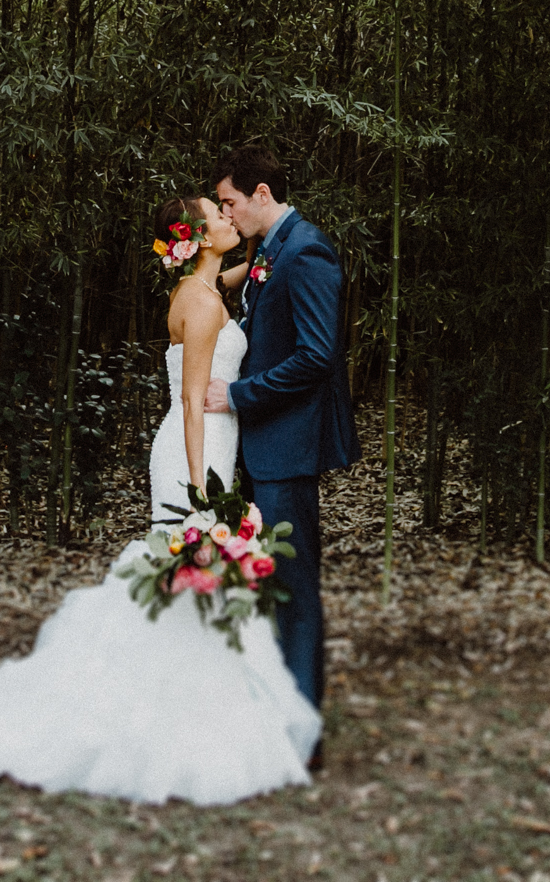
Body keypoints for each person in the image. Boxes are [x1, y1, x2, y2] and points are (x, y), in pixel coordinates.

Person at [0, 197, 319, 804]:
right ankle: (165, 719)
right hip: (194, 456)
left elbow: (251, 268)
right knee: (189, 572)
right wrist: (201, 489)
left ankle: (196, 710)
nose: (226, 218)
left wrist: (266, 247)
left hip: (215, 449)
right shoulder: (196, 301)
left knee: (205, 581)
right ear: (195, 239)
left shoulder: (211, 287)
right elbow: (193, 401)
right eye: (216, 216)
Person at [203, 144, 358, 741]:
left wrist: (238, 396)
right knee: (264, 581)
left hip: (287, 450)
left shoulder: (308, 250)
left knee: (293, 588)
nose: (227, 212)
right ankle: (271, 710)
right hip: (261, 446)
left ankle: (303, 732)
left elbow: (317, 356)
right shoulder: (270, 249)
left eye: (230, 202)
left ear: (261, 195)